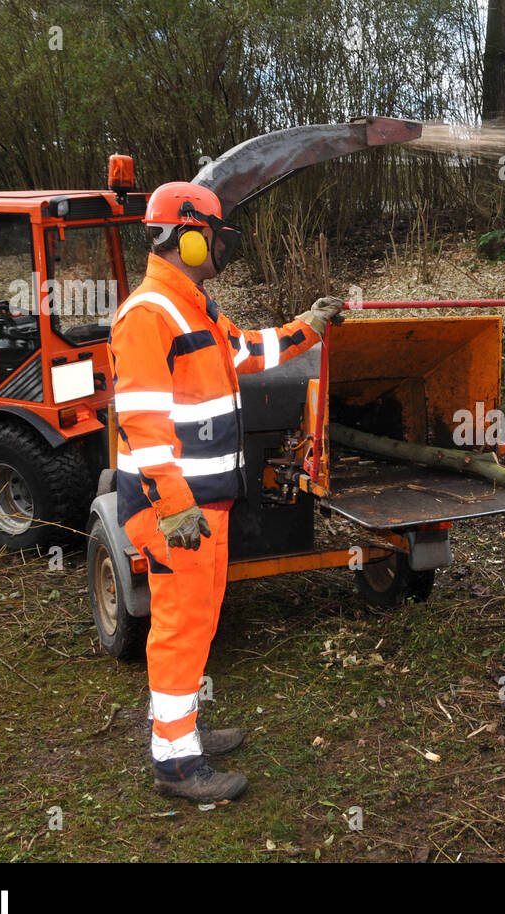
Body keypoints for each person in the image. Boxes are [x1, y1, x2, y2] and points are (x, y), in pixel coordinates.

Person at [110, 181, 344, 801]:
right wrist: (175, 504)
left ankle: (182, 729)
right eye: (216, 235)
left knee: (200, 621)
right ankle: (176, 764)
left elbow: (246, 352)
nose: (221, 246)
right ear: (187, 235)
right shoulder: (149, 314)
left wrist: (309, 328)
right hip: (174, 510)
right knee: (181, 627)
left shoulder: (196, 307)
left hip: (201, 505)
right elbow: (142, 421)